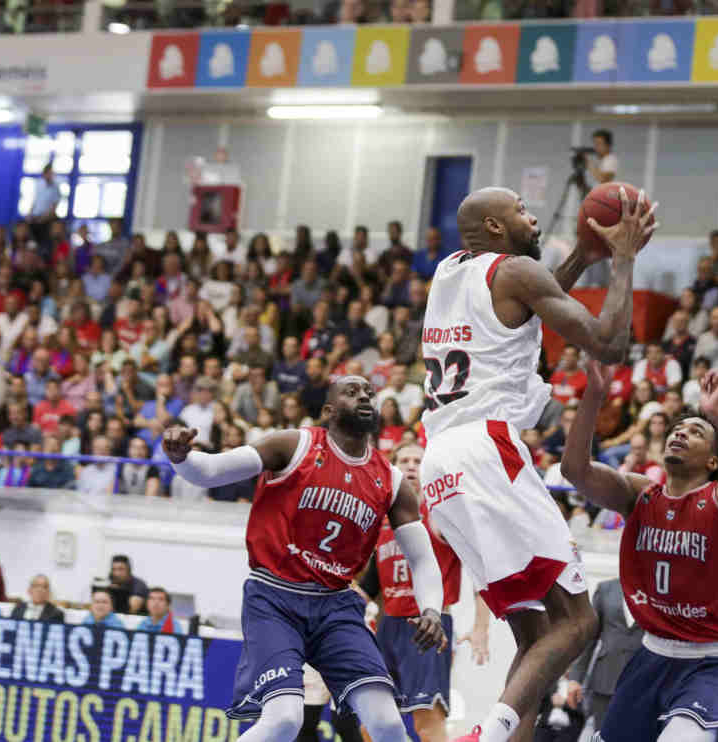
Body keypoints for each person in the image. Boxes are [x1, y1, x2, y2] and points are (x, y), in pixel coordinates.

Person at [417, 185, 655, 742]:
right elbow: (608, 343)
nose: (533, 217)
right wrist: (621, 259)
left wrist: (580, 258)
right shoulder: (516, 273)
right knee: (577, 622)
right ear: (496, 228)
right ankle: (487, 733)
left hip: (442, 465)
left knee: (535, 636)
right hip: (486, 452)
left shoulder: (451, 273)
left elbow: (522, 313)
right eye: (521, 209)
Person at [164, 375, 446, 742]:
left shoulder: (391, 481)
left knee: (389, 725)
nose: (364, 397)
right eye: (352, 392)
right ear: (328, 411)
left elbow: (422, 560)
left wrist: (431, 610)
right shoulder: (293, 445)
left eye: (369, 393)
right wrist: (181, 458)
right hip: (275, 598)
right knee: (283, 721)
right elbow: (210, 471)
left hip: (336, 606)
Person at [562, 364, 718, 742]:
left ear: (713, 462)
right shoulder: (639, 494)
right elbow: (575, 470)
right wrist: (594, 396)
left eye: (695, 431)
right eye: (677, 429)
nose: (680, 432)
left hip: (713, 660)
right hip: (652, 655)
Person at [363, 443, 490, 742]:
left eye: (417, 461)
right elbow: (370, 584)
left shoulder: (440, 515)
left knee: (427, 723)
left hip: (428, 627)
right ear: (392, 468)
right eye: (403, 460)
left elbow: (481, 569)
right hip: (388, 624)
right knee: (372, 723)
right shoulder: (382, 518)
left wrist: (481, 626)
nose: (410, 466)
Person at [566, 577, 645, 735]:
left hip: (642, 678)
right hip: (605, 679)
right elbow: (590, 639)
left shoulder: (658, 593)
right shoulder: (605, 589)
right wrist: (575, 678)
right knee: (603, 734)